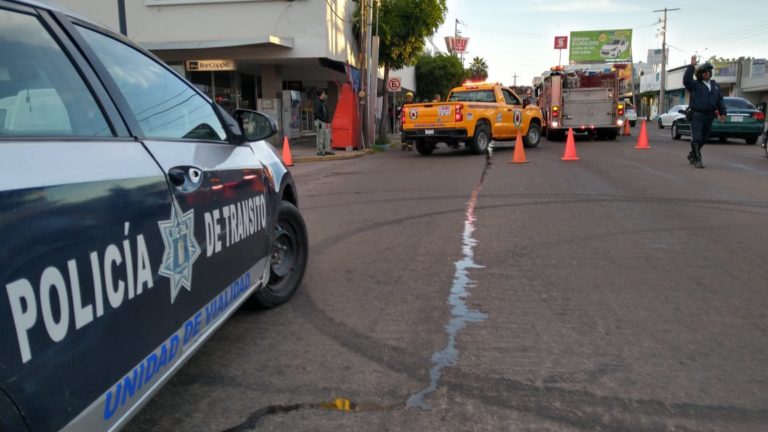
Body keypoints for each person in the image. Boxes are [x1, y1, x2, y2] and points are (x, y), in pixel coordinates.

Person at [683, 55, 726, 168]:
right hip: (697, 114)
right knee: (696, 138)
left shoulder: (715, 85)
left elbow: (720, 101)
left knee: (704, 138)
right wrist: (691, 66)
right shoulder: (695, 85)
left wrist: (722, 113)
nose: (707, 74)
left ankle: (692, 154)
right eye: (704, 72)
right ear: (700, 74)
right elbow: (686, 80)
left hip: (709, 115)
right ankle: (697, 159)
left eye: (708, 72)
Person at [313, 89, 334, 156]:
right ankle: (319, 151)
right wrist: (323, 119)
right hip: (320, 122)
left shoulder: (323, 102)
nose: (325, 95)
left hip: (324, 122)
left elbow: (326, 112)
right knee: (320, 137)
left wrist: (327, 121)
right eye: (324, 93)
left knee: (327, 136)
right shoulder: (317, 102)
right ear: (321, 94)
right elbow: (316, 113)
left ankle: (327, 150)